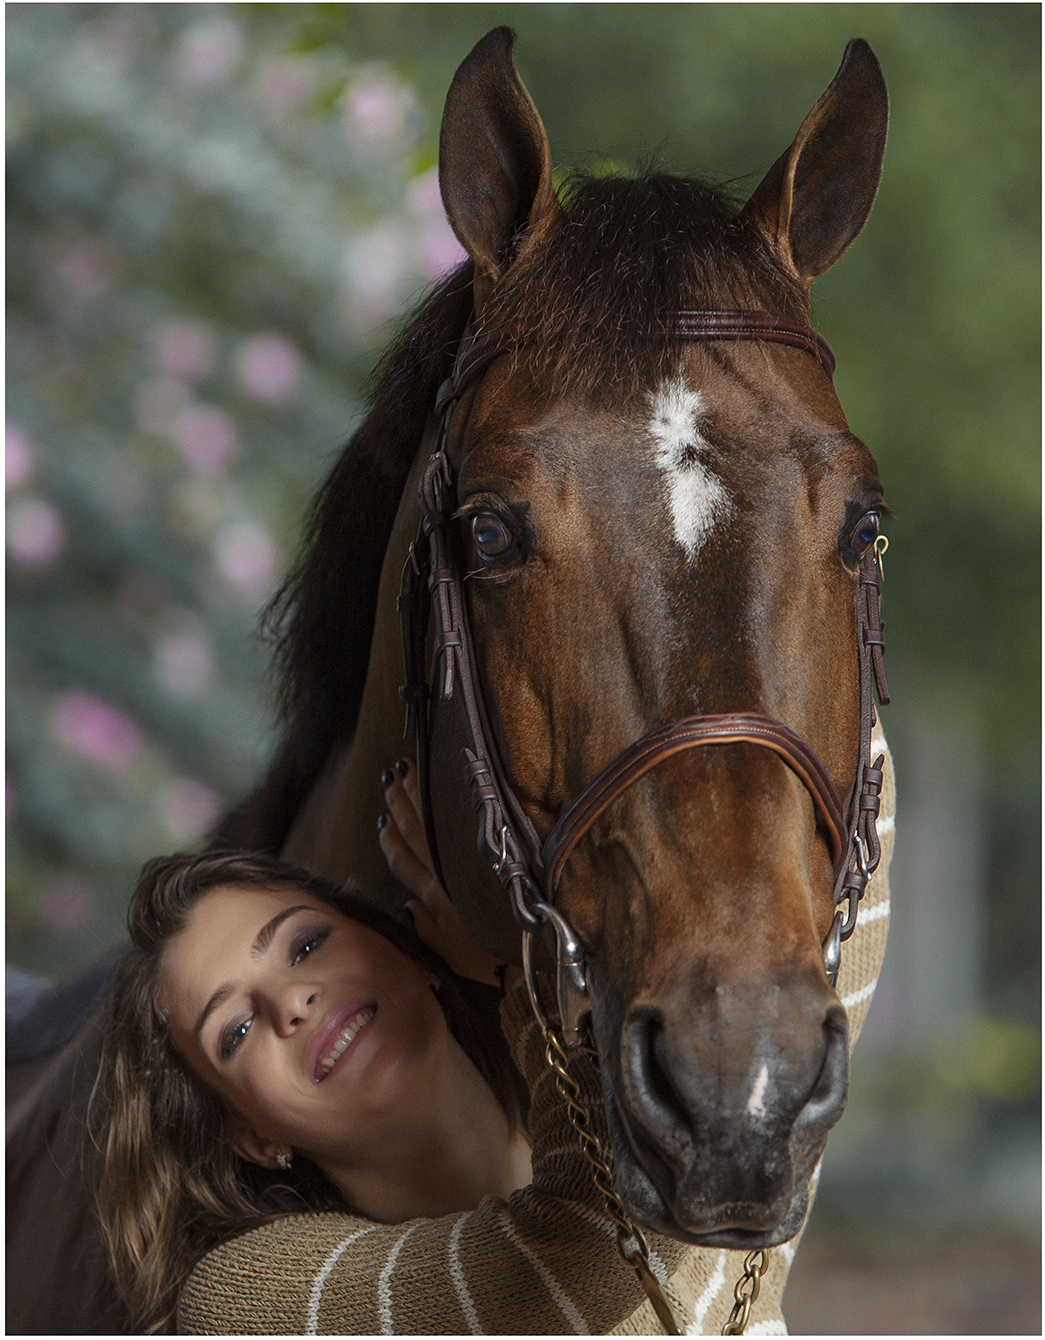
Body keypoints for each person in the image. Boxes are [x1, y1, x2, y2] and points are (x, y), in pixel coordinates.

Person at [94, 755, 895, 1335]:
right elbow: (580, 1275)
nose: (291, 1002)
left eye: (304, 947)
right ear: (253, 1134)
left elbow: (855, 789)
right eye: (234, 1030)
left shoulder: (718, 1137)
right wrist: (525, 983)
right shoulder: (246, 1300)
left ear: (407, 952)